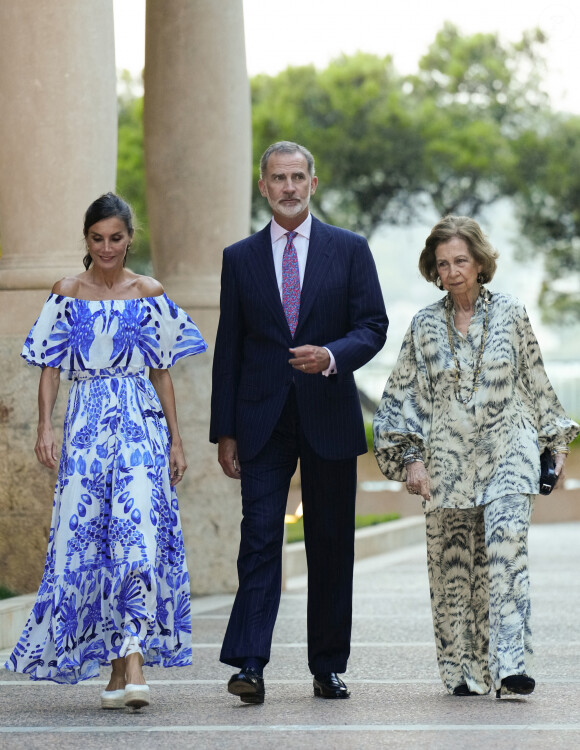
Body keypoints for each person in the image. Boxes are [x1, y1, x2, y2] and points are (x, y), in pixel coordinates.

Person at [4, 193, 207, 710]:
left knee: (136, 534)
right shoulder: (66, 292)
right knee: (87, 541)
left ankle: (134, 657)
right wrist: (44, 427)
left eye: (116, 238)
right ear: (87, 240)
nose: (107, 247)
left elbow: (162, 368)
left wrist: (176, 439)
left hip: (140, 422)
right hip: (85, 427)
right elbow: (50, 367)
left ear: (129, 238)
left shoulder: (150, 292)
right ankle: (116, 667)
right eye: (98, 238)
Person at [210, 141, 388, 703]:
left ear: (314, 183)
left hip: (329, 414)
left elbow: (373, 324)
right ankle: (249, 665)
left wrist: (332, 355)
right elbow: (229, 348)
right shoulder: (239, 258)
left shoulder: (350, 249)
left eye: (297, 177)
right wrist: (226, 430)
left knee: (331, 543)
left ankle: (328, 666)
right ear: (262, 187)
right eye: (277, 178)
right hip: (261, 420)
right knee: (259, 539)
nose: (288, 187)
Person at [373, 215, 579, 698]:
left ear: (481, 262)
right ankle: (464, 670)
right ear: (434, 269)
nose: (452, 271)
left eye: (461, 260)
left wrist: (556, 443)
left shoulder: (511, 313)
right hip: (446, 464)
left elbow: (535, 381)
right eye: (442, 264)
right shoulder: (424, 325)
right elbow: (402, 396)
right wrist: (411, 459)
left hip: (509, 451)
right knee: (455, 569)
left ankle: (510, 668)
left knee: (507, 558)